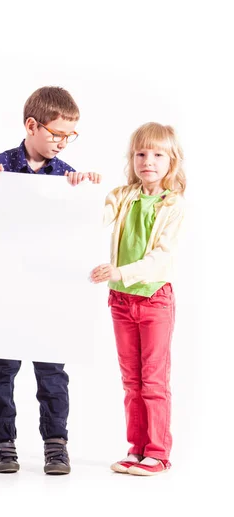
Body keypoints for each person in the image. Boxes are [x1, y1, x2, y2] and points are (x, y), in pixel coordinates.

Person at [0, 86, 101, 475]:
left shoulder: (68, 179)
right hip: (1, 291)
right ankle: (3, 443)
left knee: (52, 372)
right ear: (31, 125)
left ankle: (55, 442)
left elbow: (78, 230)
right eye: (56, 134)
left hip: (49, 294)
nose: (63, 143)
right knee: (0, 370)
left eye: (70, 136)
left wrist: (88, 191)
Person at [90, 122, 186, 476]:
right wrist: (83, 187)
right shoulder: (123, 196)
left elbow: (161, 258)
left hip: (154, 299)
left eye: (158, 154)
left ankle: (158, 453)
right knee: (131, 382)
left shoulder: (173, 205)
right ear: (132, 159)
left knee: (154, 382)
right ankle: (137, 449)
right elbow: (94, 216)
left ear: (171, 161)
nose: (148, 161)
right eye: (141, 154)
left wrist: (119, 272)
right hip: (120, 301)